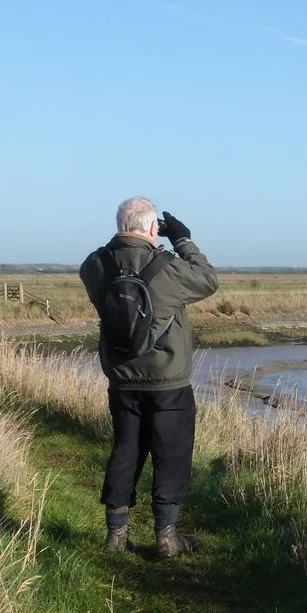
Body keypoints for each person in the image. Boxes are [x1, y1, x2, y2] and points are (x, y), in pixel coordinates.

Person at [79, 197, 219, 557]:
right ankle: (166, 536)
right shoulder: (169, 267)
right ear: (154, 228)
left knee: (125, 451)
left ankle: (116, 535)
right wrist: (183, 241)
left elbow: (91, 274)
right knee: (171, 454)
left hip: (122, 379)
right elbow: (207, 280)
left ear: (119, 224)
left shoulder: (96, 265)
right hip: (168, 379)